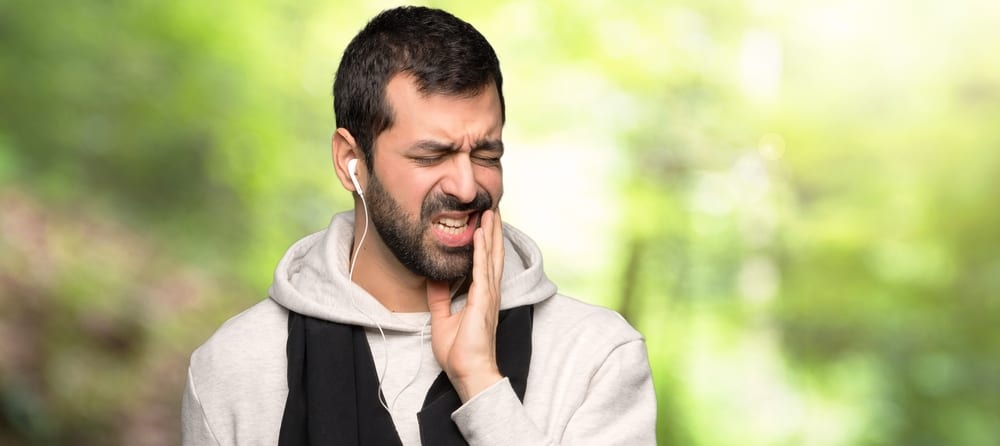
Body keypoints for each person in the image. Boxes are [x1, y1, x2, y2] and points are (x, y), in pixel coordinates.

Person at [181, 6, 656, 445]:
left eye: (486, 154)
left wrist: (480, 383)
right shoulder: (234, 368)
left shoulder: (597, 358)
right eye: (432, 156)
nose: (468, 187)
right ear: (352, 161)